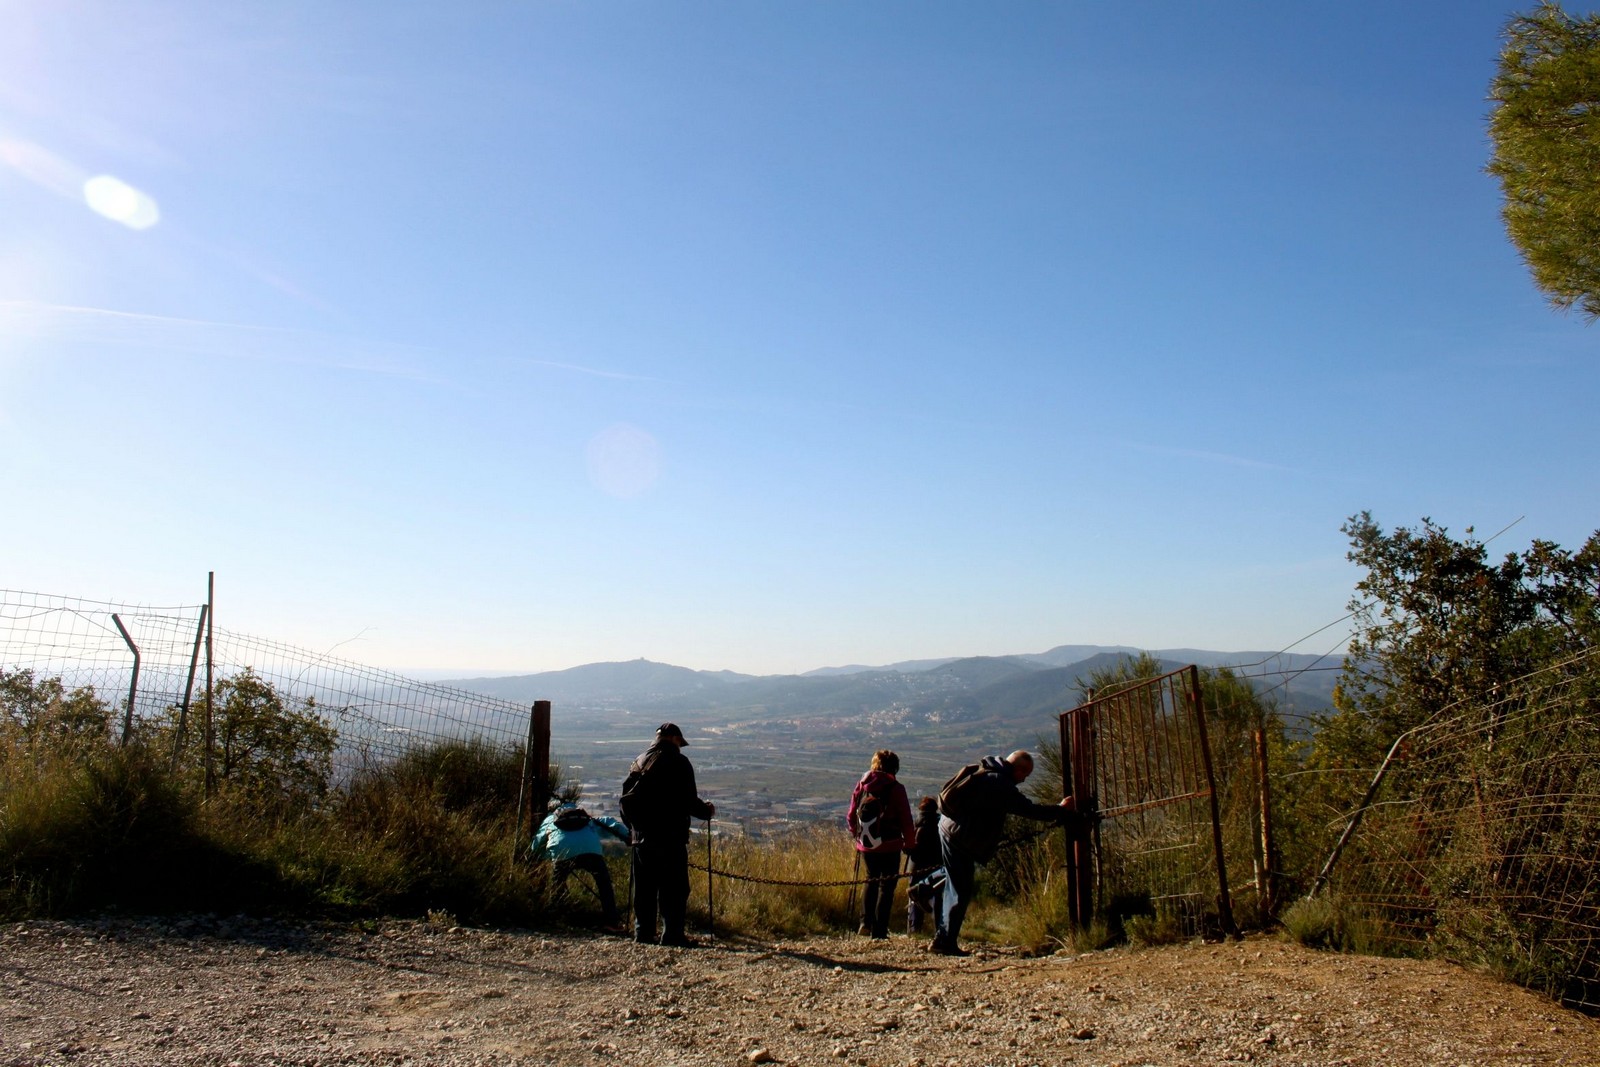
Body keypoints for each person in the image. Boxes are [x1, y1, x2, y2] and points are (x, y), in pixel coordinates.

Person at [933, 749, 1077, 957]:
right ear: (1019, 770)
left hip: (949, 828)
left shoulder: (988, 770)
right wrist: (1060, 810)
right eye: (1025, 775)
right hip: (960, 837)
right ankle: (944, 942)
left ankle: (926, 894)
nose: (1024, 780)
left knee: (954, 879)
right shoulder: (1000, 783)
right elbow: (1028, 809)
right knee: (960, 889)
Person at [620, 722, 715, 947]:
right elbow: (688, 800)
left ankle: (643, 933)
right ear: (674, 739)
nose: (680, 746)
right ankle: (672, 935)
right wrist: (706, 812)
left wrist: (633, 830)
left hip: (641, 837)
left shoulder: (640, 760)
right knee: (674, 888)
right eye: (679, 742)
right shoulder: (679, 762)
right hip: (670, 836)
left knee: (645, 887)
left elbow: (626, 799)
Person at [846, 750, 917, 939]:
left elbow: (851, 814)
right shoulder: (897, 789)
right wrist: (910, 843)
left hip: (866, 845)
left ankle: (865, 922)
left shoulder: (862, 785)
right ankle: (879, 930)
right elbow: (906, 820)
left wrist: (857, 835)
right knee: (887, 887)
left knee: (871, 879)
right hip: (891, 845)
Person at [530, 803, 631, 931]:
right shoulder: (585, 817)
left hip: (563, 852)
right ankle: (611, 922)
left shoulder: (550, 819)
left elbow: (536, 844)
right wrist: (627, 836)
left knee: (557, 884)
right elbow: (608, 822)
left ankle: (556, 919)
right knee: (604, 885)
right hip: (591, 851)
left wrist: (544, 856)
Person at [904, 795, 944, 934]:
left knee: (915, 897)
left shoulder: (915, 824)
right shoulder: (940, 825)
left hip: (915, 866)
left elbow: (908, 848)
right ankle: (939, 928)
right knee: (938, 898)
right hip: (936, 866)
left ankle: (914, 929)